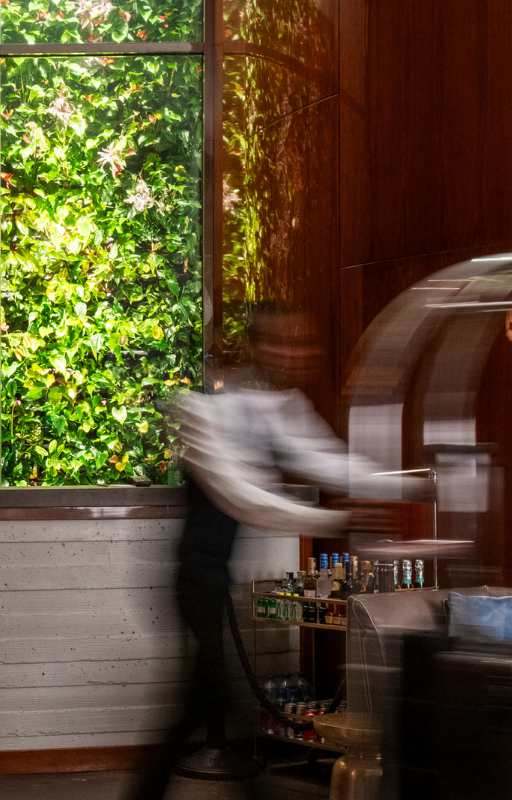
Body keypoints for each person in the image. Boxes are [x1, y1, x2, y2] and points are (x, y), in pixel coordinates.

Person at [129, 305, 423, 799]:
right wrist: (339, 520)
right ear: (259, 346)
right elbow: (244, 498)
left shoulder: (282, 407)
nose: (296, 354)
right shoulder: (208, 411)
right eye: (284, 343)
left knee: (206, 699)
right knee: (208, 697)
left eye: (303, 343)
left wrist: (409, 486)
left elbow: (326, 460)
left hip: (217, 577)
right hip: (193, 580)